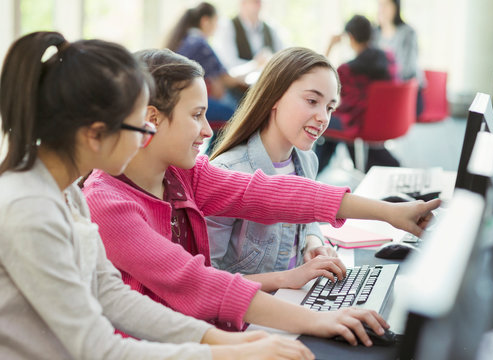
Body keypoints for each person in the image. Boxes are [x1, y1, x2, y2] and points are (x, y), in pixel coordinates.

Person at [82, 47, 439, 345]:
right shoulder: (108, 203)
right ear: (152, 120)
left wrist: (391, 213)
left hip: (209, 335)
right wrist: (317, 319)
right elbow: (197, 282)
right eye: (197, 115)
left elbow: (271, 194)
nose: (208, 131)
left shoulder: (183, 175)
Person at [0, 31, 315, 360]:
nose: (144, 139)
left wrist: (228, 342)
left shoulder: (66, 192)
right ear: (95, 134)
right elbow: (98, 349)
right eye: (140, 127)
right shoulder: (29, 209)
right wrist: (227, 353)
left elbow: (112, 296)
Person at [206, 47, 346, 291]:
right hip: (250, 318)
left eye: (329, 107)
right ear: (274, 97)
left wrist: (313, 242)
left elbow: (307, 217)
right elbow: (207, 280)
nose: (324, 117)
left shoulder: (306, 160)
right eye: (312, 101)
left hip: (295, 299)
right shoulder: (228, 171)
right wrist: (286, 279)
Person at [315, 14, 400, 174]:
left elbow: (318, 79)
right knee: (334, 122)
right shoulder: (389, 58)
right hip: (387, 121)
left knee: (322, 120)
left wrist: (330, 46)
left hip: (359, 124)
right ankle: (315, 171)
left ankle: (312, 171)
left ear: (351, 37)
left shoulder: (347, 70)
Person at [166, 1, 246, 143]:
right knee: (236, 116)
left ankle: (212, 154)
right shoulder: (200, 43)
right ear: (205, 21)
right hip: (184, 102)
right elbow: (226, 78)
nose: (216, 28)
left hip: (174, 99)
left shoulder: (185, 40)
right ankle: (216, 156)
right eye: (215, 23)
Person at [372, 0, 425, 115]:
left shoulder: (408, 32)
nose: (382, 9)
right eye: (380, 5)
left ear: (396, 7)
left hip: (407, 93)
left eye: (386, 5)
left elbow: (407, 69)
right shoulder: (375, 33)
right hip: (384, 91)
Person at [213, 0, 283, 77]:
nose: (260, 4)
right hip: (238, 87)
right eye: (255, 1)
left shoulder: (271, 28)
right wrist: (255, 64)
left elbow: (283, 55)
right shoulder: (228, 27)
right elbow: (229, 67)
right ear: (243, 3)